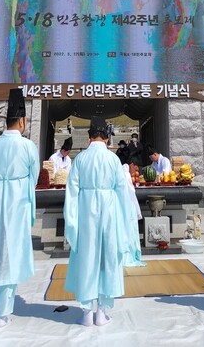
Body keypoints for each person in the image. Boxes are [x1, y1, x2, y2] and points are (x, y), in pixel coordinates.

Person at [0, 88, 40, 329]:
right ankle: (3, 312)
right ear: (23, 121)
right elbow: (33, 177)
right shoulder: (27, 147)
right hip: (17, 204)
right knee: (10, 255)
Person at [64, 116, 132, 327]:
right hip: (109, 211)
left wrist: (71, 221)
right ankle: (101, 312)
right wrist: (125, 220)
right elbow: (122, 192)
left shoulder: (81, 159)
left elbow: (71, 193)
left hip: (85, 210)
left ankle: (86, 312)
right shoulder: (113, 159)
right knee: (106, 257)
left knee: (86, 257)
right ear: (106, 136)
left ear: (89, 136)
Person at [117, 148, 145, 267]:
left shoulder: (120, 171)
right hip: (127, 207)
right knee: (129, 234)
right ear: (131, 164)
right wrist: (138, 212)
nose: (137, 169)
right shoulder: (125, 174)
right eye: (136, 166)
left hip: (119, 207)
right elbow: (130, 194)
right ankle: (129, 256)